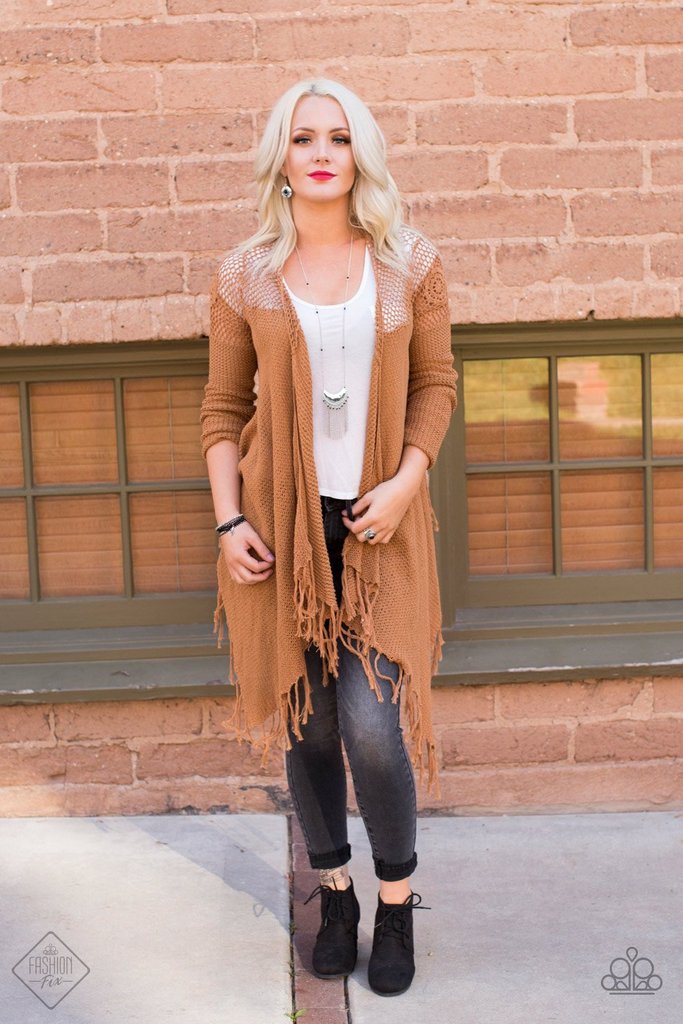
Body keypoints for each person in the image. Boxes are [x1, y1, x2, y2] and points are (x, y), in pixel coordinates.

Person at [200, 77, 457, 997]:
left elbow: (435, 384)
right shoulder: (246, 273)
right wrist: (230, 521)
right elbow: (222, 410)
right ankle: (336, 896)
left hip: (377, 523)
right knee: (307, 724)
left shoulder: (408, 261)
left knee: (372, 727)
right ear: (281, 157)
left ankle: (396, 902)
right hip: (280, 531)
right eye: (303, 137)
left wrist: (407, 481)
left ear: (360, 156)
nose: (320, 153)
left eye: (339, 138)